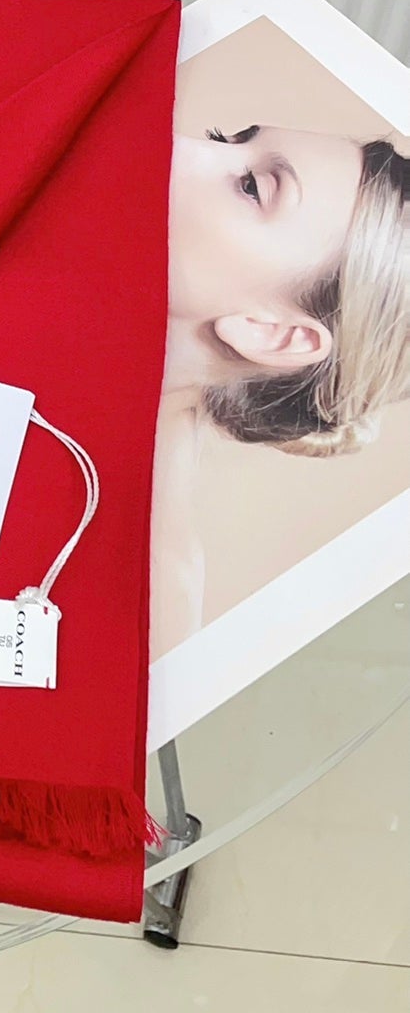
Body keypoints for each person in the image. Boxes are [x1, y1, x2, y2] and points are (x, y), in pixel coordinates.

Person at [153, 124, 410, 650]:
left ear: (274, 333)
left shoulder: (150, 597)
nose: (177, 142)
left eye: (252, 187)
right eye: (225, 139)